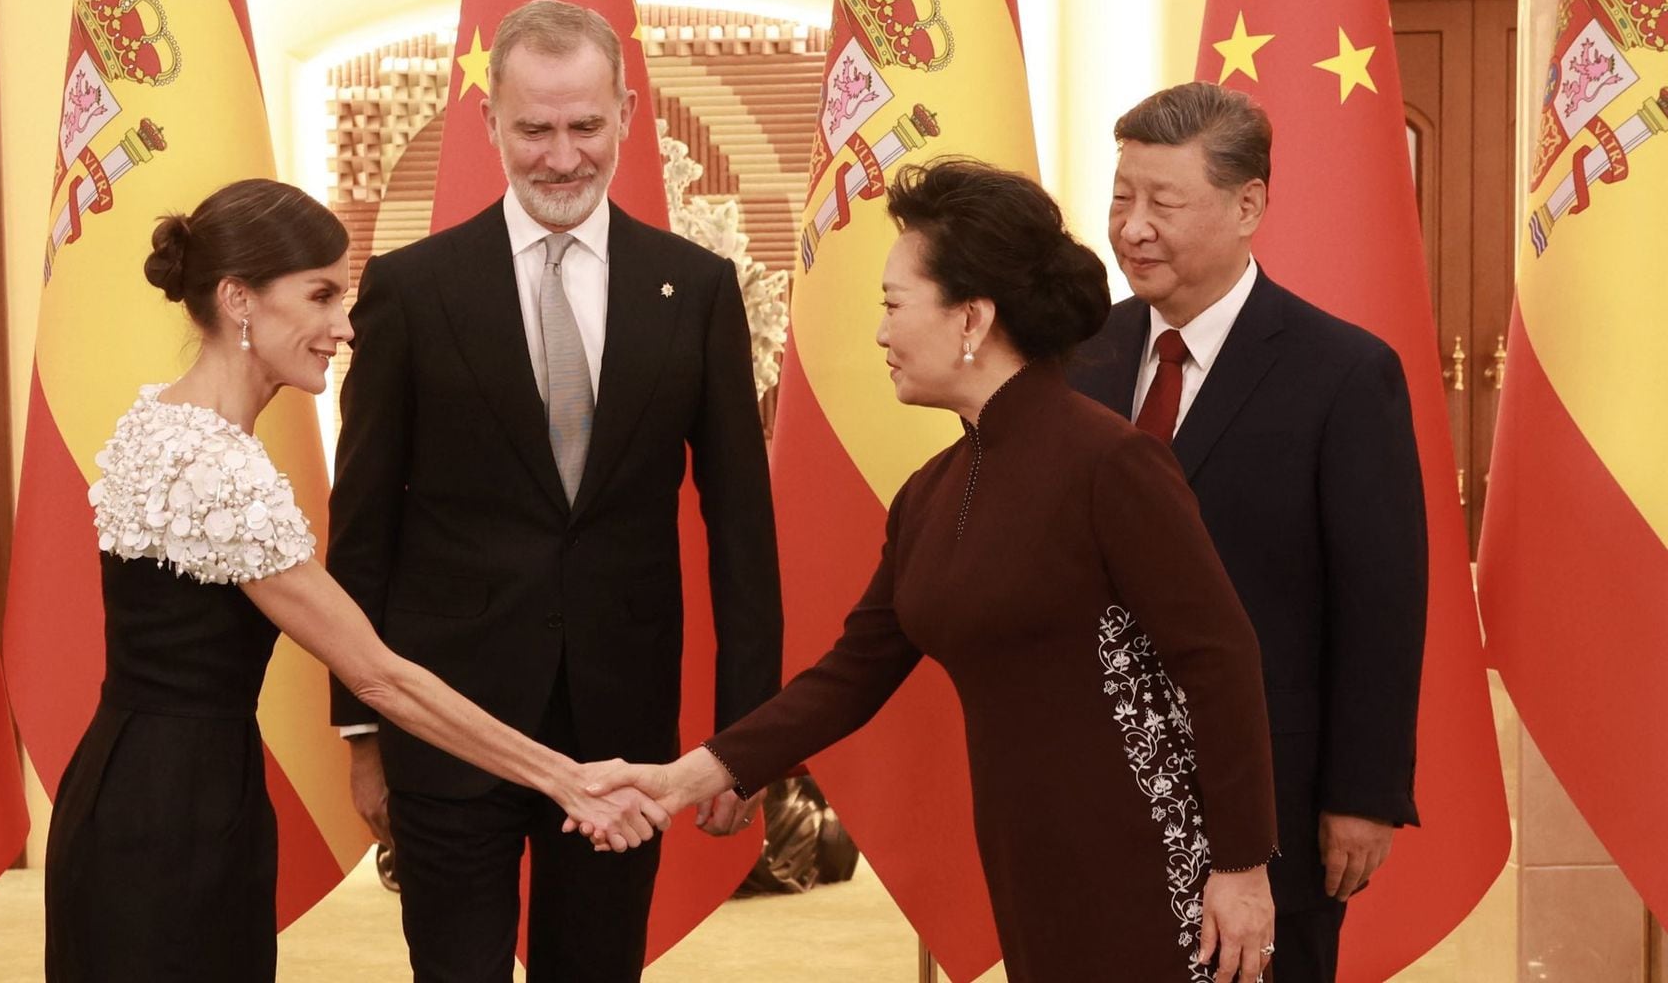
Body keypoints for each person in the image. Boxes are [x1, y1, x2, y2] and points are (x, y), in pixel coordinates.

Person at [586, 158, 1279, 983]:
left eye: (892, 304)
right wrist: (686, 775)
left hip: (1149, 856)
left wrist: (1241, 867)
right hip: (1028, 859)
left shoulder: (1111, 464)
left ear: (972, 318)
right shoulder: (931, 493)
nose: (880, 332)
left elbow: (1221, 658)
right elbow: (850, 676)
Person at [43, 178, 669, 983]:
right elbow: (380, 677)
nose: (345, 327)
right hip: (175, 815)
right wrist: (567, 780)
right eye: (323, 295)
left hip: (134, 786)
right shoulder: (212, 466)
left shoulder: (162, 423)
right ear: (239, 299)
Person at [326, 0, 783, 982]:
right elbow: (361, 519)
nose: (562, 155)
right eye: (534, 128)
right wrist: (363, 732)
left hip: (620, 730)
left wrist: (745, 737)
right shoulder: (412, 289)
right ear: (489, 123)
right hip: (448, 719)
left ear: (626, 112)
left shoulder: (694, 289)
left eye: (585, 125)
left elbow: (742, 523)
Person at [1067, 82, 1429, 983]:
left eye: (1164, 202)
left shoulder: (1343, 373)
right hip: (1093, 796)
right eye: (1121, 196)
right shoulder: (1077, 357)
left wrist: (1361, 794)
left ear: (1248, 206)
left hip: (1273, 805)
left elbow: (1379, 602)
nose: (1133, 227)